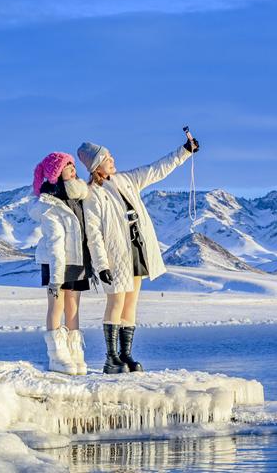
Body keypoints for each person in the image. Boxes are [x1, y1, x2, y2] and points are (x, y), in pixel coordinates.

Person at [79, 135, 199, 374]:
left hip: (136, 248)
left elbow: (156, 170)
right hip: (115, 254)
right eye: (106, 158)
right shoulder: (92, 194)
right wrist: (101, 265)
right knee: (116, 301)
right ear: (96, 166)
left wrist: (184, 152)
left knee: (131, 303)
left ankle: (126, 355)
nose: (112, 160)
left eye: (111, 156)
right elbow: (93, 234)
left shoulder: (126, 180)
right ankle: (111, 358)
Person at [29, 152, 92, 375]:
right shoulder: (49, 204)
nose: (73, 169)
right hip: (57, 261)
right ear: (56, 173)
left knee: (73, 306)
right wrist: (56, 278)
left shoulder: (79, 196)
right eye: (67, 166)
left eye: (73, 165)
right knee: (56, 304)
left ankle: (75, 354)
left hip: (76, 259)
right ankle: (57, 356)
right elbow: (55, 242)